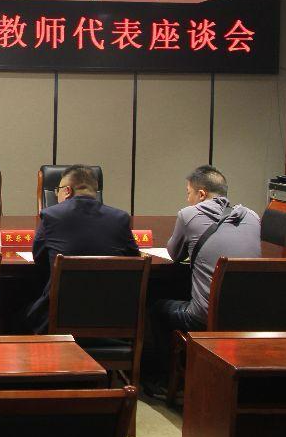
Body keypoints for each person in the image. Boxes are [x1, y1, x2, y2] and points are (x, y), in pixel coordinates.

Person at [142, 165, 262, 396]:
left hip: (204, 316)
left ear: (201, 194)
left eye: (188, 193)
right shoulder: (252, 217)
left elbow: (175, 254)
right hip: (249, 314)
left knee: (155, 306)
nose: (187, 199)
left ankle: (163, 380)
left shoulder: (189, 215)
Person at [22, 164, 140, 334]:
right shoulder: (120, 218)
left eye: (58, 190)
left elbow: (39, 259)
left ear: (67, 191)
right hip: (112, 319)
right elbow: (134, 260)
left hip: (59, 319)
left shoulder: (51, 216)